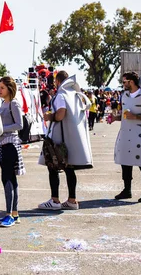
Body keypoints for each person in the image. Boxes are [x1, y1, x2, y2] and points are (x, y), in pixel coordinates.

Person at [38, 71, 93, 211]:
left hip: (58, 137)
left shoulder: (61, 95)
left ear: (57, 81)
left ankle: (55, 200)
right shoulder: (74, 94)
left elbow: (61, 113)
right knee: (69, 169)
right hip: (71, 137)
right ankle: (72, 200)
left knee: (52, 167)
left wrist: (50, 117)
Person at [111, 71, 141, 202]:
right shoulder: (125, 95)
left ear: (131, 82)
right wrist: (115, 118)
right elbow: (125, 115)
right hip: (126, 133)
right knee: (125, 162)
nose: (123, 84)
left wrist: (136, 117)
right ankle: (127, 190)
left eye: (124, 82)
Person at [0, 76, 25, 228]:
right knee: (9, 179)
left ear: (9, 88)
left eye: (2, 88)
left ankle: (9, 214)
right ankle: (14, 213)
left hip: (10, 144)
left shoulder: (13, 103)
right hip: (3, 143)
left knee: (8, 179)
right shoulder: (3, 103)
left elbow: (19, 124)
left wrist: (1, 129)